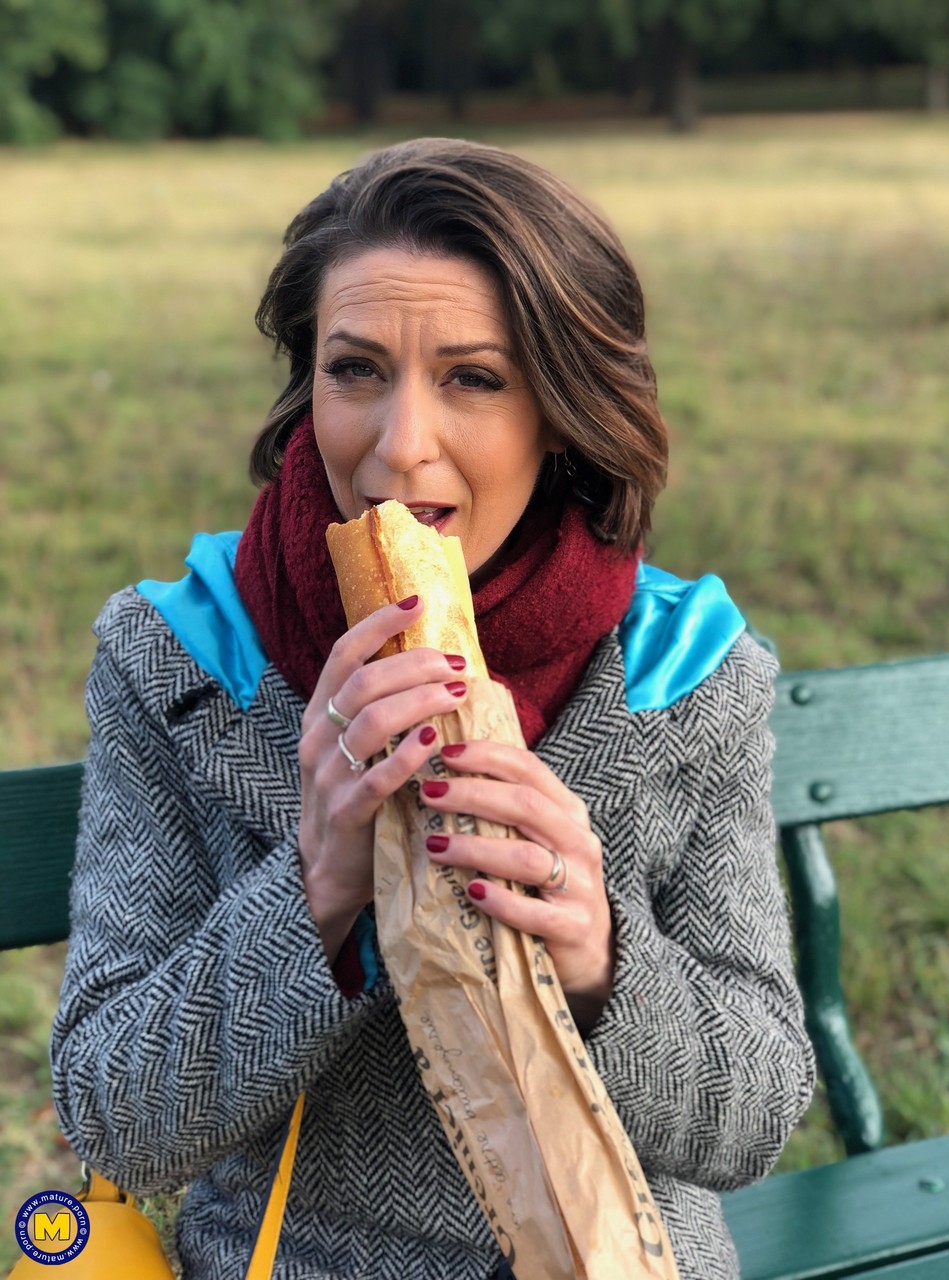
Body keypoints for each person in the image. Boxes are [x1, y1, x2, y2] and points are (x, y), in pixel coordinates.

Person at [51, 137, 815, 1280]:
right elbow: (115, 1118)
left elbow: (754, 1115)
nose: (399, 447)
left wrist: (604, 959)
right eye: (356, 368)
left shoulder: (685, 673)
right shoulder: (184, 661)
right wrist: (310, 890)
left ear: (563, 407)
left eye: (474, 377)